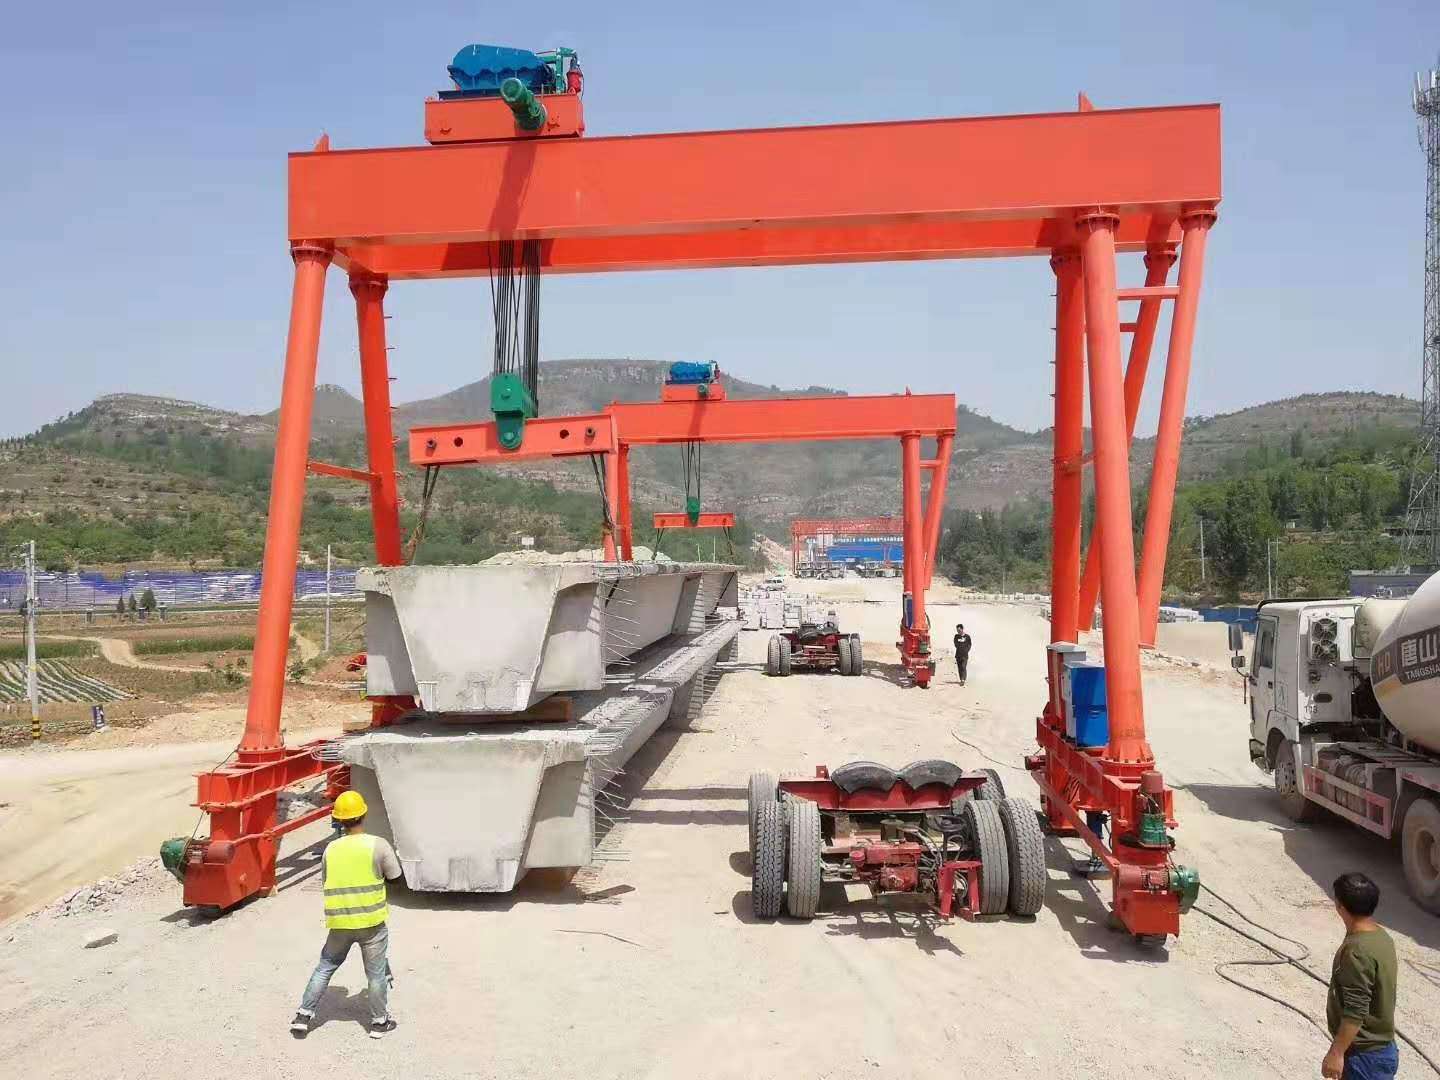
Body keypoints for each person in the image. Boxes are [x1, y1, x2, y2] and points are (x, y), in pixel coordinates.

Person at [291, 790, 403, 1040]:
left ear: (339, 820)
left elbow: (326, 881)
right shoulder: (378, 845)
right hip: (371, 923)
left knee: (325, 967)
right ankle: (379, 1022)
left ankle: (303, 1016)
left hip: (340, 923)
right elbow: (396, 878)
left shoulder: (330, 849)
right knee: (375, 975)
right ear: (364, 814)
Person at [1323, 872, 1398, 1079]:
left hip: (1364, 1058)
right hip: (1380, 1051)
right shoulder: (1380, 936)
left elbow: (1356, 1011)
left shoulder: (1357, 952)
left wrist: (1336, 1053)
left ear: (1340, 906)